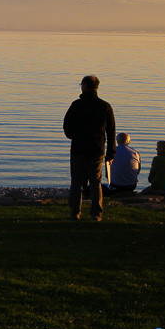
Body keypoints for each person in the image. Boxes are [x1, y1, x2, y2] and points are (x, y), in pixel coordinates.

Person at [63, 75, 116, 221]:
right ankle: (96, 214)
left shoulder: (76, 105)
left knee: (76, 182)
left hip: (78, 148)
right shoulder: (105, 106)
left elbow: (67, 126)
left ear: (85, 86)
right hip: (97, 150)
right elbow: (111, 131)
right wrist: (111, 153)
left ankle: (75, 213)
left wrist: (73, 136)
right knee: (96, 182)